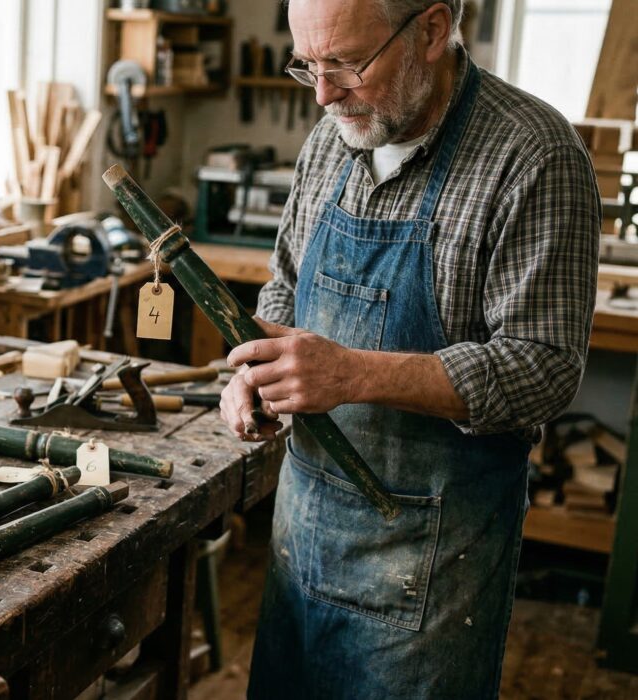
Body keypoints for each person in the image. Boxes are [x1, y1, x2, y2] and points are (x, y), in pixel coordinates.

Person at [220, 1, 601, 697]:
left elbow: (543, 367)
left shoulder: (534, 155)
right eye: (308, 64)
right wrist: (254, 370)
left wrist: (352, 374)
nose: (324, 93)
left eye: (347, 64)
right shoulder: (330, 136)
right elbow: (284, 287)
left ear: (431, 29)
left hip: (432, 566)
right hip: (304, 536)